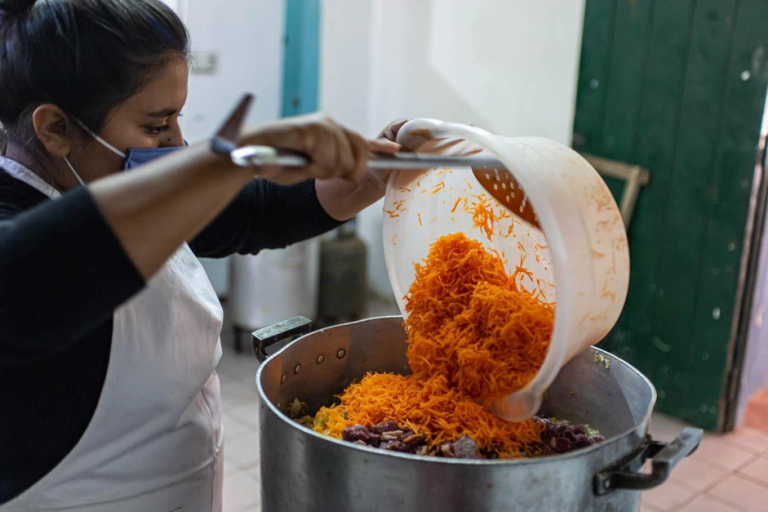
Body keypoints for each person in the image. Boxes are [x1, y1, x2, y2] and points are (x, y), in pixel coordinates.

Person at [0, 0, 405, 509]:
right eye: (156, 125)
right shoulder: (23, 232)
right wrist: (222, 161)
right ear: (56, 128)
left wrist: (367, 177)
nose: (178, 141)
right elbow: (27, 282)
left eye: (178, 118)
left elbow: (249, 213)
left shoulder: (124, 183)